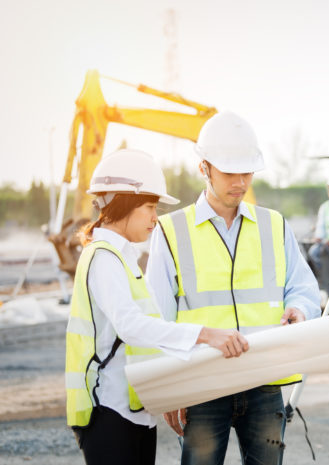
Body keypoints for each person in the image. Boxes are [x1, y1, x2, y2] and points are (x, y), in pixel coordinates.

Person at [146, 111, 321, 465]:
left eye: (247, 172)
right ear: (204, 168)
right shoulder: (170, 231)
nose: (240, 181)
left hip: (264, 381)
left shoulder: (274, 225)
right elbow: (157, 316)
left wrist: (299, 308)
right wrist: (170, 387)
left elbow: (303, 287)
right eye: (229, 172)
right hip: (202, 384)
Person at [65, 149, 249, 465]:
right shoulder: (104, 258)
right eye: (150, 207)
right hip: (109, 409)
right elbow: (131, 326)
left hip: (132, 409)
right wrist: (205, 335)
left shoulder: (122, 257)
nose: (155, 217)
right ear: (123, 205)